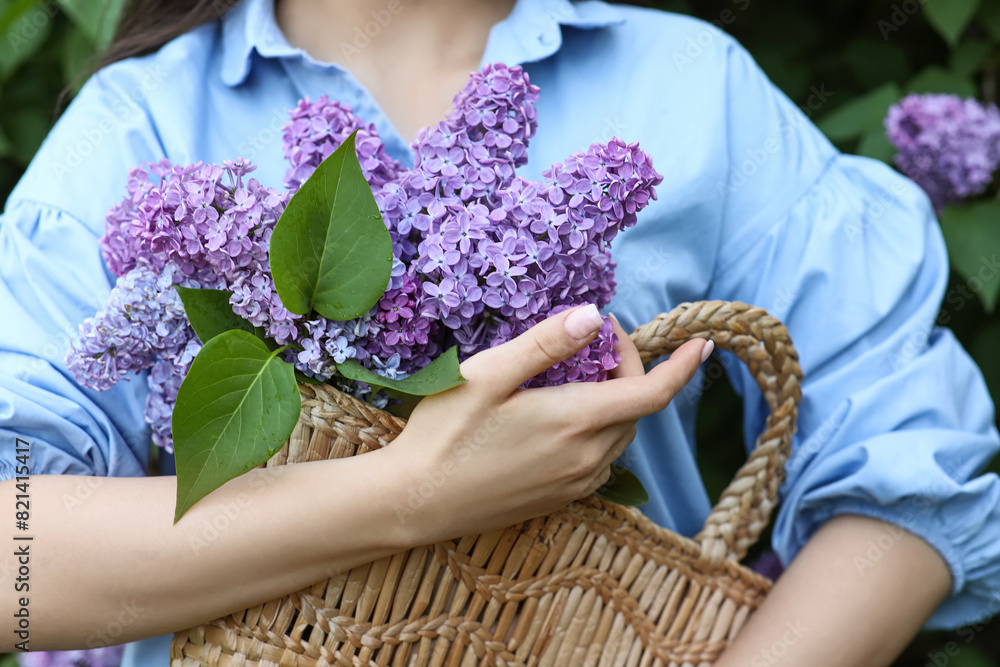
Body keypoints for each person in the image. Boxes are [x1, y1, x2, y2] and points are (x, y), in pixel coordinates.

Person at [1, 0, 997, 665]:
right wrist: (407, 493)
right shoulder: (139, 124)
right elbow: (16, 555)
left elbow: (910, 466)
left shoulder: (689, 84)